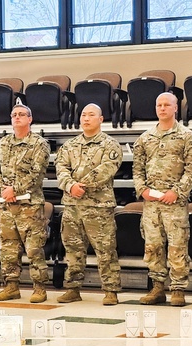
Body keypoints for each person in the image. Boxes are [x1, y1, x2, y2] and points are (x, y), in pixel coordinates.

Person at [133, 92, 192, 306]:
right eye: (159, 105)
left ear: (175, 108)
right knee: (152, 246)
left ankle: (178, 289)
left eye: (166, 105)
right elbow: (137, 168)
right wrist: (142, 189)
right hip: (151, 203)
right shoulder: (145, 138)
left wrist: (177, 191)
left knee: (177, 246)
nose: (162, 108)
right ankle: (157, 287)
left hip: (174, 202)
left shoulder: (188, 137)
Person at [55, 103, 122, 306]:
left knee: (105, 249)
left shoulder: (111, 145)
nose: (86, 118)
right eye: (83, 114)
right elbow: (61, 168)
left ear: (101, 119)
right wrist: (70, 185)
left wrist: (81, 185)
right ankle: (73, 288)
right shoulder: (69, 145)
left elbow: (107, 170)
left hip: (98, 206)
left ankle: (111, 290)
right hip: (72, 205)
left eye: (91, 115)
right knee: (73, 249)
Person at [0, 102, 50, 303]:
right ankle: (11, 286)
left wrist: (13, 190)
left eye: (22, 114)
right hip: (7, 205)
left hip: (30, 206)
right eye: (14, 114)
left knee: (34, 249)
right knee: (8, 248)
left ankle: (40, 288)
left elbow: (37, 173)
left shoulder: (39, 144)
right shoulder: (3, 144)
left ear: (30, 119)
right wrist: (3, 190)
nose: (17, 117)